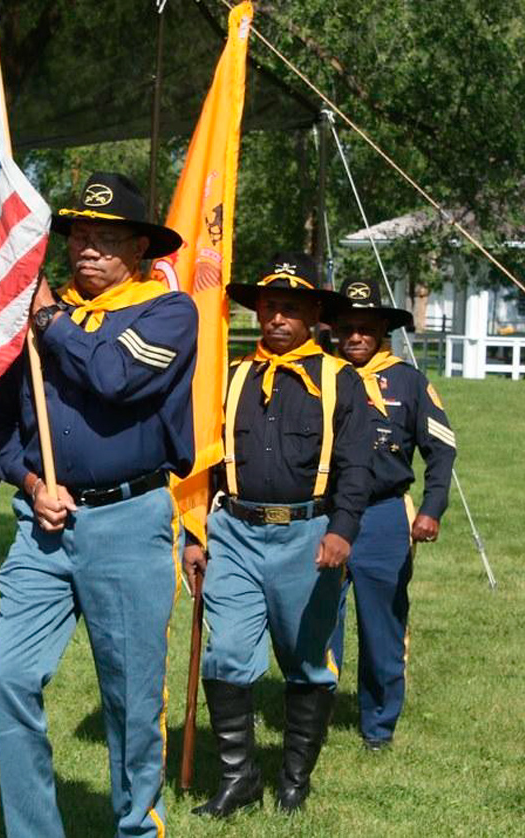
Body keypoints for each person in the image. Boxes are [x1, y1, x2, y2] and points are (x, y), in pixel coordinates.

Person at [0, 173, 196, 837]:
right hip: (43, 529)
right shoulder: (40, 318)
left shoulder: (165, 312)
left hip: (130, 523)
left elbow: (115, 375)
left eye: (107, 239)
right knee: (6, 674)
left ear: (140, 249)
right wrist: (29, 481)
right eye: (80, 238)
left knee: (130, 698)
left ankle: (137, 826)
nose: (88, 250)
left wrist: (47, 319)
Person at [184, 253, 371, 817]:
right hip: (235, 532)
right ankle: (238, 778)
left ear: (316, 314)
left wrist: (342, 529)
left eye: (291, 307)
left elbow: (359, 466)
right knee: (228, 653)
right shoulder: (234, 376)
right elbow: (205, 461)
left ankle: (295, 778)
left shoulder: (340, 380)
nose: (277, 318)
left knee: (307, 660)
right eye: (269, 307)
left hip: (307, 536)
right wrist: (195, 534)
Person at [324, 277, 456, 751]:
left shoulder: (408, 380)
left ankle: (378, 727)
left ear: (384, 330)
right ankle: (313, 713)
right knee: (318, 621)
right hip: (326, 514)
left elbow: (441, 448)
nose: (354, 337)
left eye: (365, 328)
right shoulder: (321, 374)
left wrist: (433, 507)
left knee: (383, 625)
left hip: (383, 516)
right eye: (346, 328)